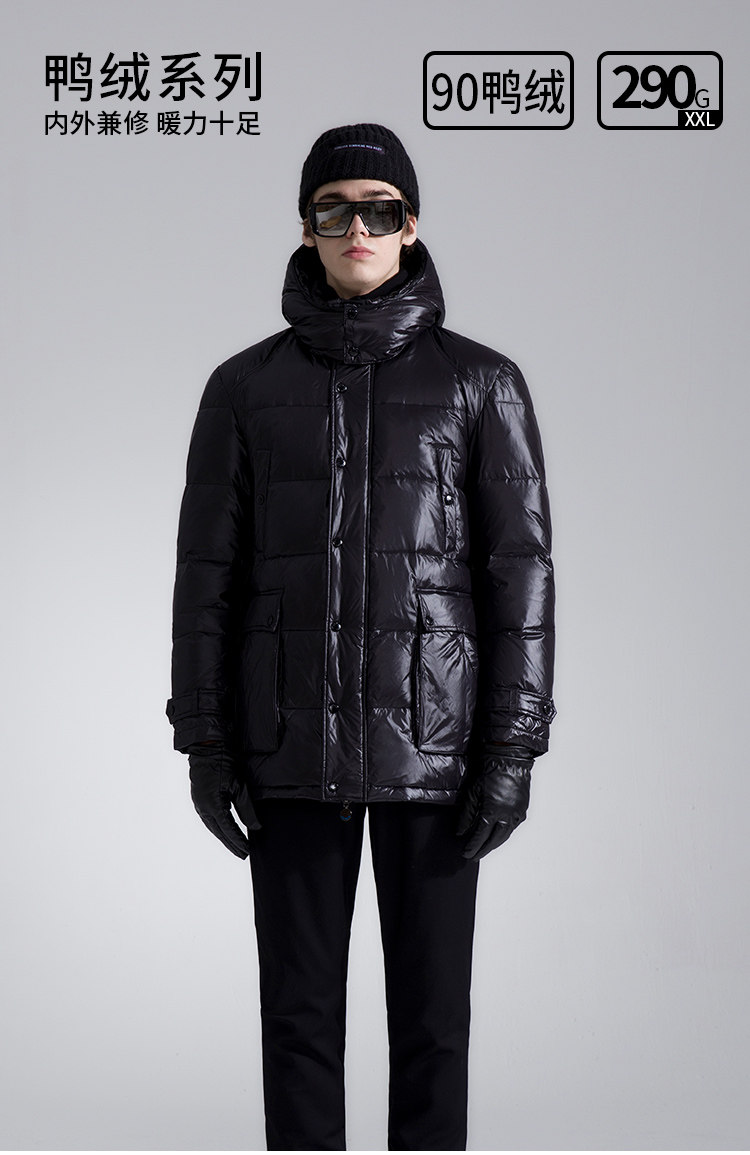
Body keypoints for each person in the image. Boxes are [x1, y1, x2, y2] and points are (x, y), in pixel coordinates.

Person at [166, 123, 556, 1151]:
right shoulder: (242, 389)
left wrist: (512, 748)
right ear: (306, 227)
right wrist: (205, 739)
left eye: (379, 209)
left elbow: (520, 578)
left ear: (410, 223)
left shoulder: (483, 383)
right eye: (333, 209)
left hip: (438, 749)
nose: (357, 228)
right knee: (297, 1023)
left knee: (432, 1026)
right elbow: (207, 577)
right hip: (288, 745)